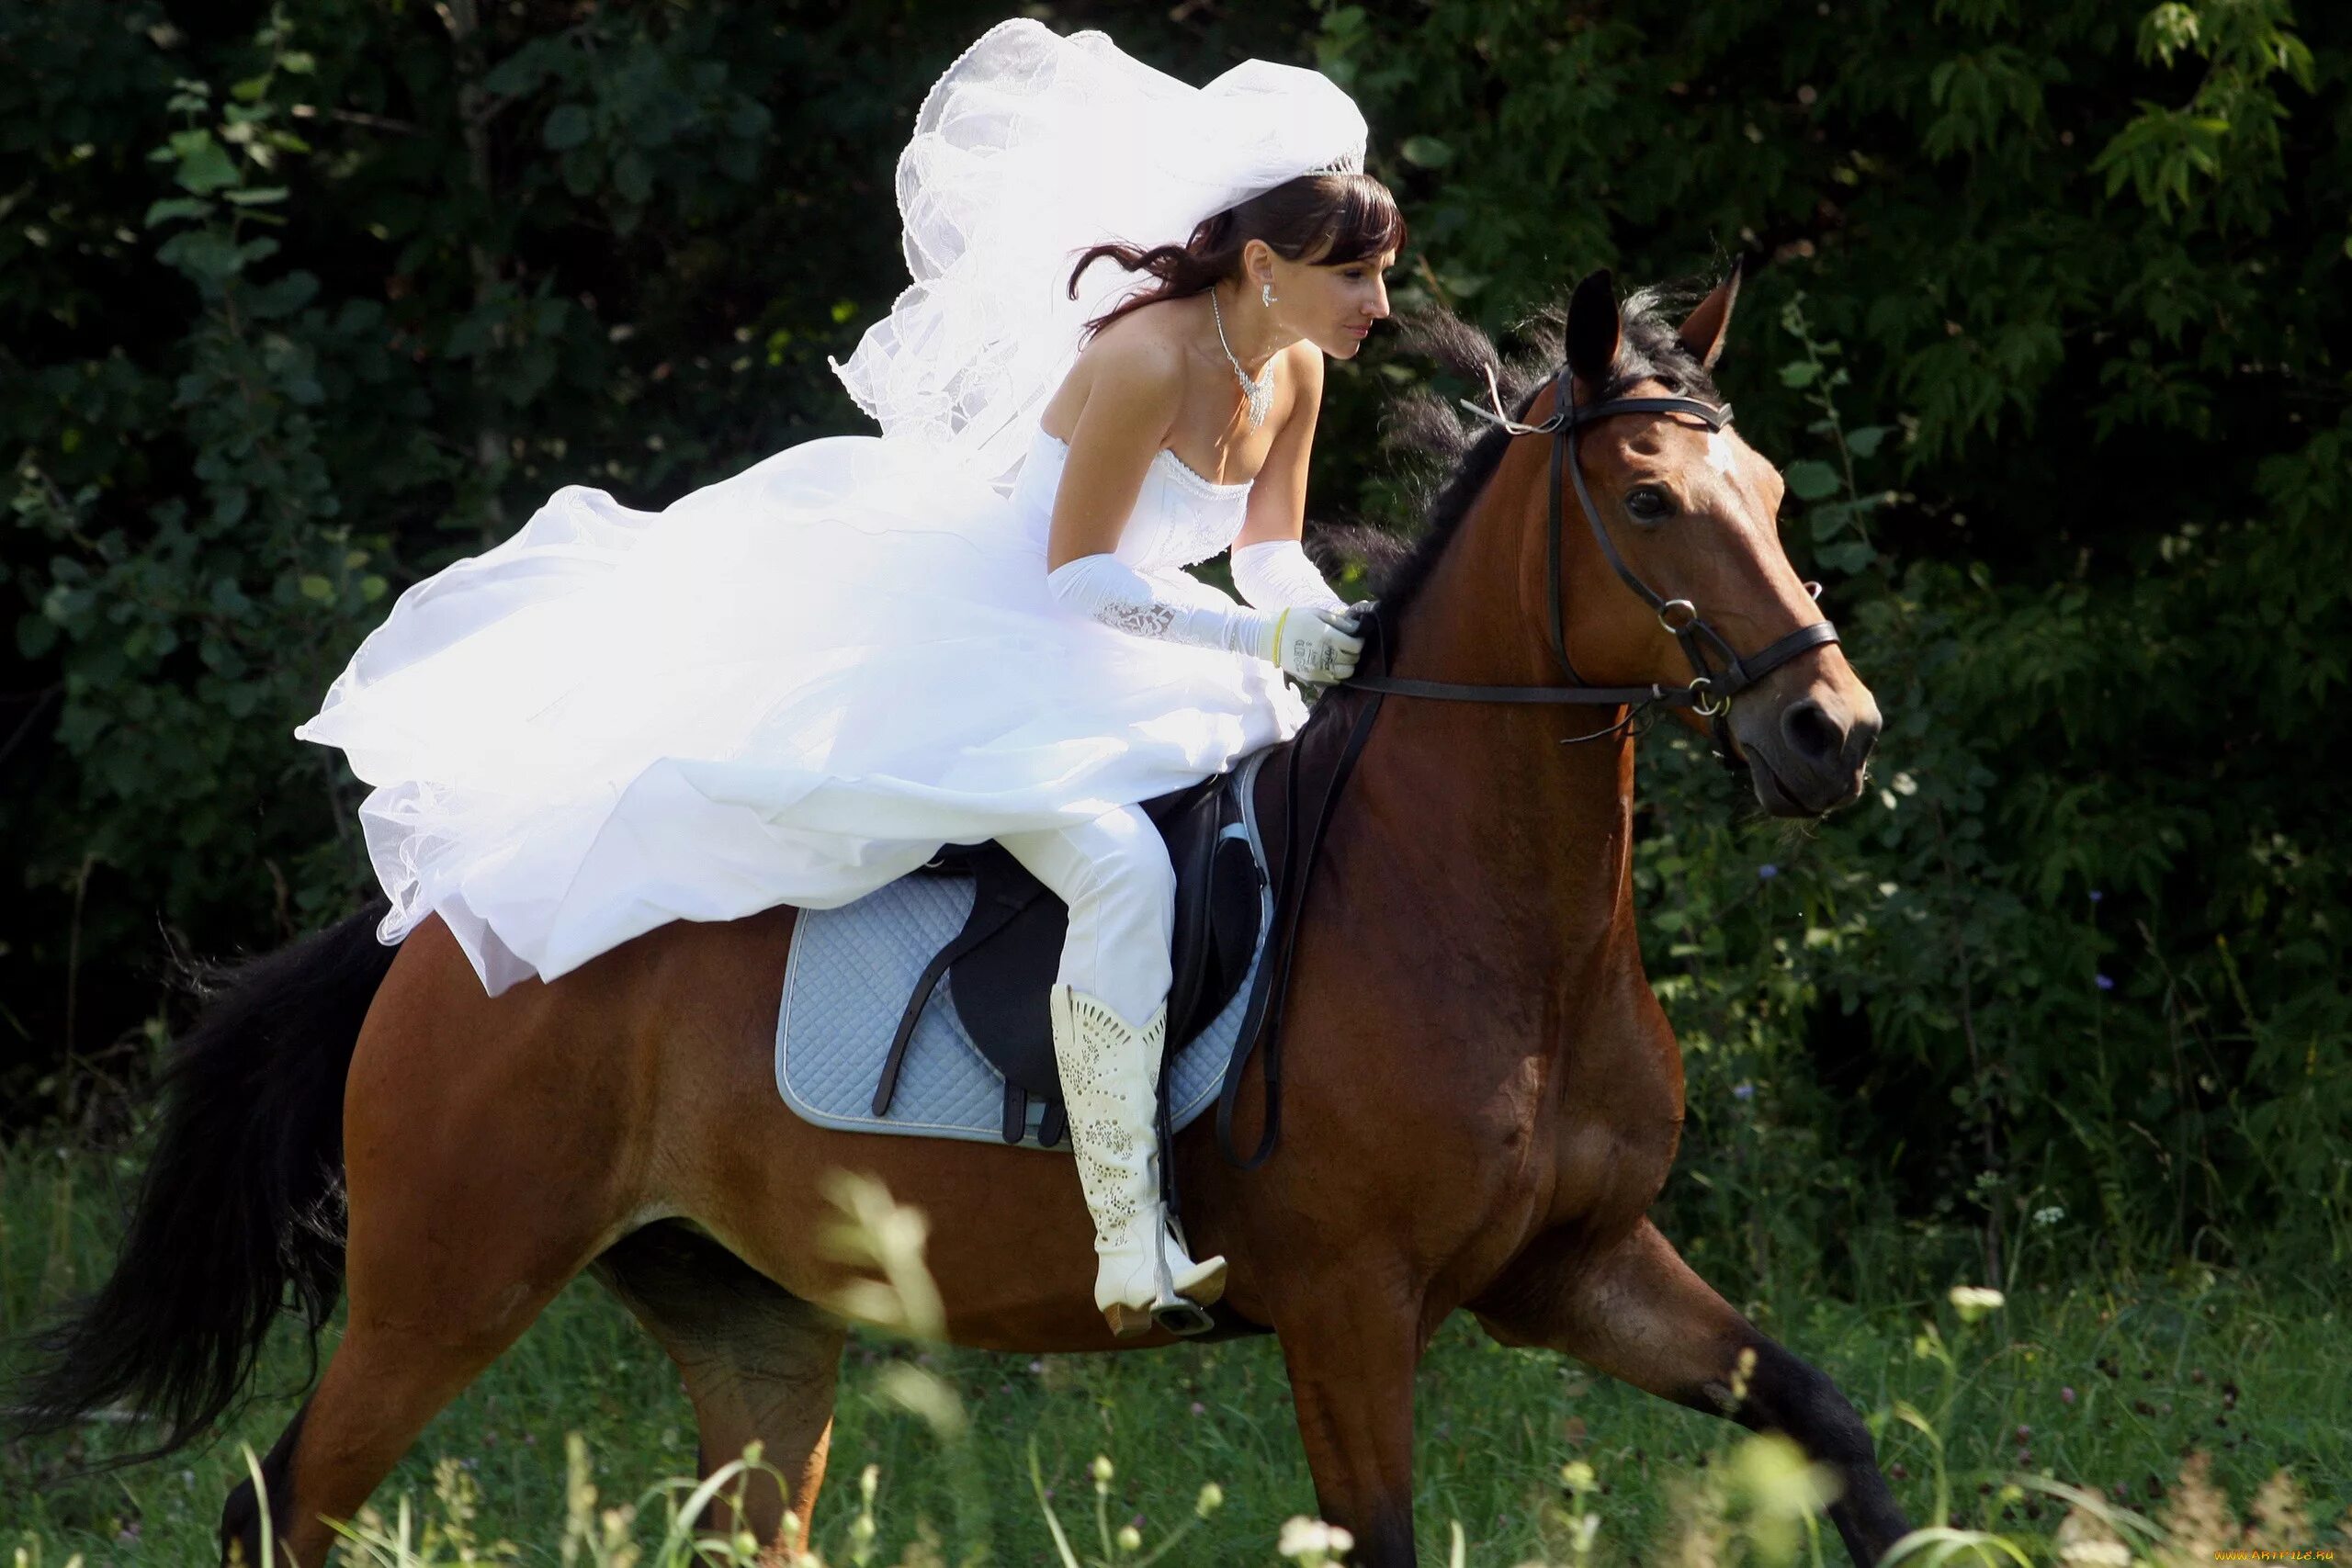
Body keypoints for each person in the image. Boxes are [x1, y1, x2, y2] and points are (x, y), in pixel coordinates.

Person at [295, 18, 1400, 1335]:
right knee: (1118, 866)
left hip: (1144, 648)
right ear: (1266, 263)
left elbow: (1269, 553)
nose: (1378, 307)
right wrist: (1254, 641)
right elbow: (1073, 579)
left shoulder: (1290, 372)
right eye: (1356, 277)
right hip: (1002, 635)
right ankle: (1128, 1237)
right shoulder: (1143, 357)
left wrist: (1332, 625)